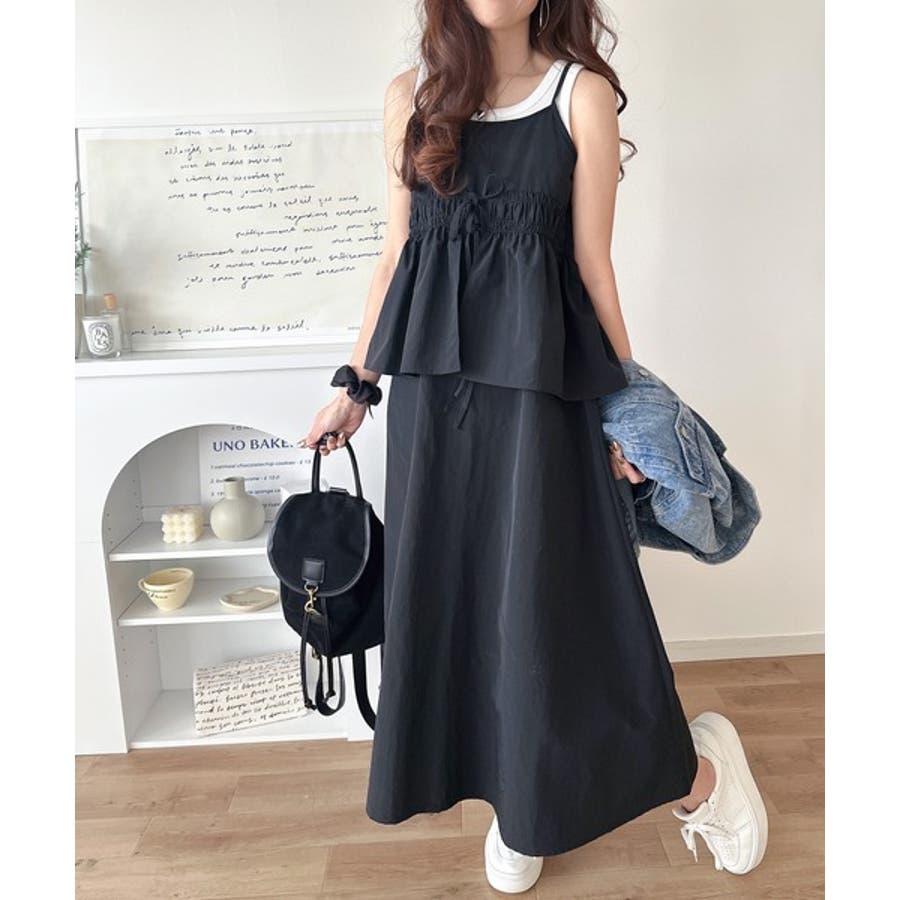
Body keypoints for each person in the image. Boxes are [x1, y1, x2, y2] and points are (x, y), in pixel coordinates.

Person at [300, 1, 768, 892]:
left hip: (541, 398)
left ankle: (701, 775)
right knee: (462, 607)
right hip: (434, 408)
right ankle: (521, 806)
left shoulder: (578, 95)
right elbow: (397, 254)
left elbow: (593, 267)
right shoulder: (409, 96)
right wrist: (356, 385)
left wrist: (623, 414)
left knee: (559, 613)